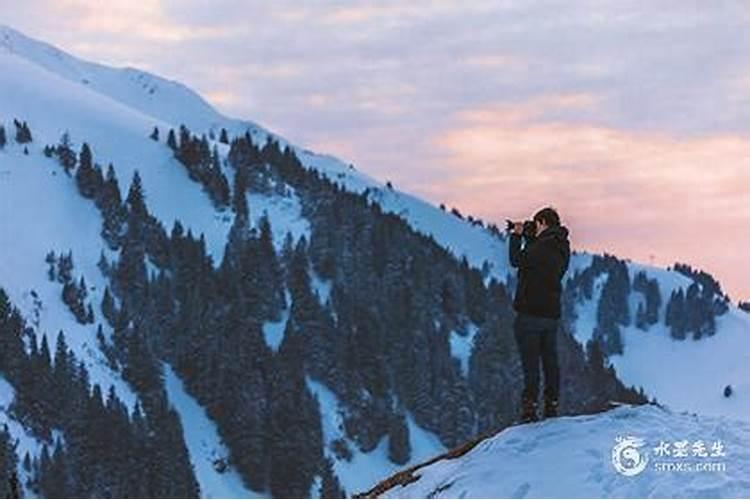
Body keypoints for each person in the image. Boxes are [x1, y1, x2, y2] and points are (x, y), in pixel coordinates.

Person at [508, 207, 570, 423]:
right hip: (551, 314)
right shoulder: (562, 247)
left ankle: (530, 409)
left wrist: (517, 236)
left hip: (530, 314)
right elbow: (537, 261)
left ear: (542, 222)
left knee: (531, 363)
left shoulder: (541, 247)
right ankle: (551, 405)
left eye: (536, 224)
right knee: (550, 361)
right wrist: (530, 236)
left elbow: (517, 260)